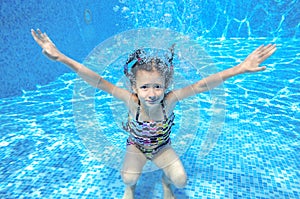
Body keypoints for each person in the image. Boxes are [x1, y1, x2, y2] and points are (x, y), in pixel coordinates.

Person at [31, 29, 276, 199]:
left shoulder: (170, 100)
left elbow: (203, 84)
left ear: (166, 86)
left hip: (162, 147)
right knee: (127, 179)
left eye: (157, 86)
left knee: (181, 180)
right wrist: (61, 57)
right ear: (134, 88)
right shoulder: (131, 101)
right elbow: (98, 80)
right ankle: (131, 190)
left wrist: (240, 68)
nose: (151, 93)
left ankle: (165, 182)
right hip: (136, 146)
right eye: (145, 87)